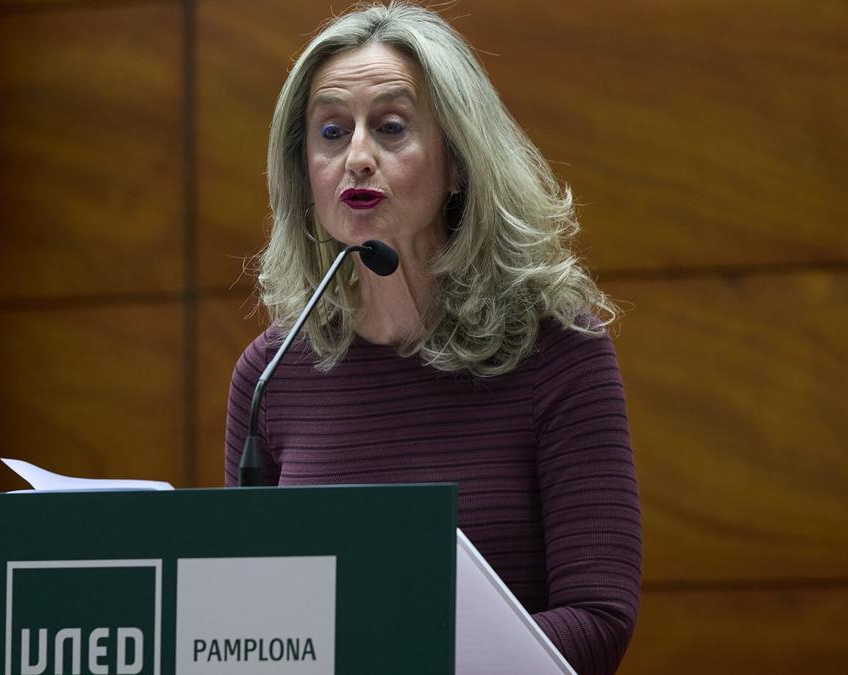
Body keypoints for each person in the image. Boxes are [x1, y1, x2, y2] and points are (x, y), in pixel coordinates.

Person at [223, 2, 641, 673]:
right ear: (306, 175)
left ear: (456, 162)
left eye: (391, 127)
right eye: (331, 132)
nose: (357, 156)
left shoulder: (558, 350)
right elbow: (255, 629)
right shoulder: (271, 375)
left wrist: (405, 655)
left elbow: (598, 616)